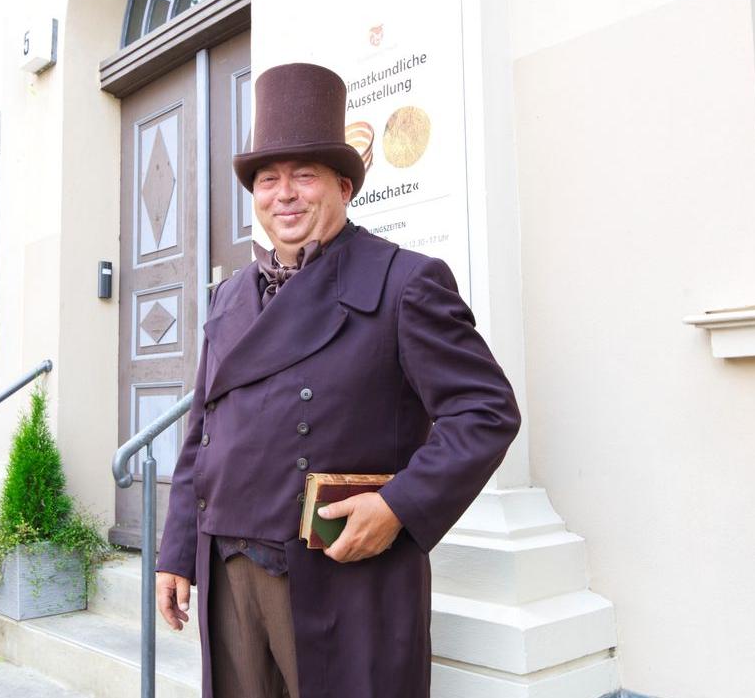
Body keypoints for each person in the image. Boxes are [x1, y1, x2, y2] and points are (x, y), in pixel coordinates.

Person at [155, 62, 521, 698]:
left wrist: (398, 505)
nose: (284, 194)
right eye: (269, 179)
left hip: (337, 577)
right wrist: (177, 549)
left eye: (304, 175)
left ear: (345, 186)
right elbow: (203, 432)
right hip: (226, 569)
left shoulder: (405, 282)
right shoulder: (228, 297)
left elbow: (486, 412)